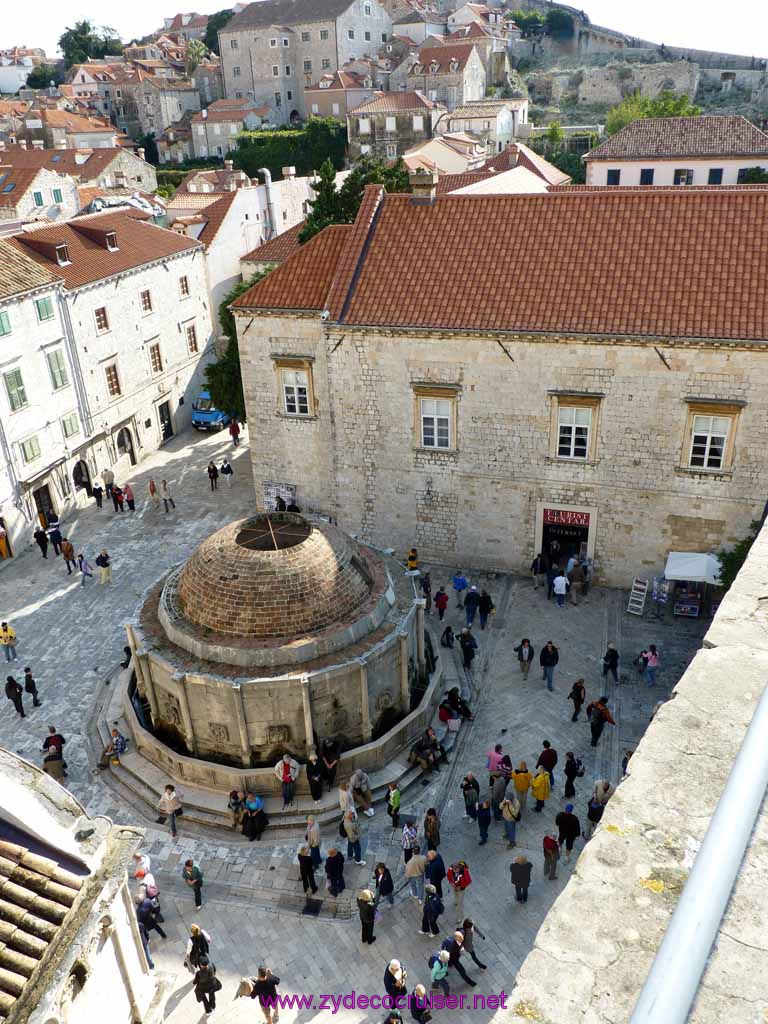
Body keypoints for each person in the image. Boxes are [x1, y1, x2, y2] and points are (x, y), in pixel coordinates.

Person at [447, 861, 471, 925]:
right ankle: (456, 902)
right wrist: (451, 882)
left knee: (459, 905)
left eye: (457, 871)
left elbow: (468, 881)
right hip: (454, 886)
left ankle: (460, 917)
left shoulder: (464, 871)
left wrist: (461, 887)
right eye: (454, 871)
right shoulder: (450, 869)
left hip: (461, 889)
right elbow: (448, 875)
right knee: (455, 895)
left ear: (459, 868)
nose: (455, 872)